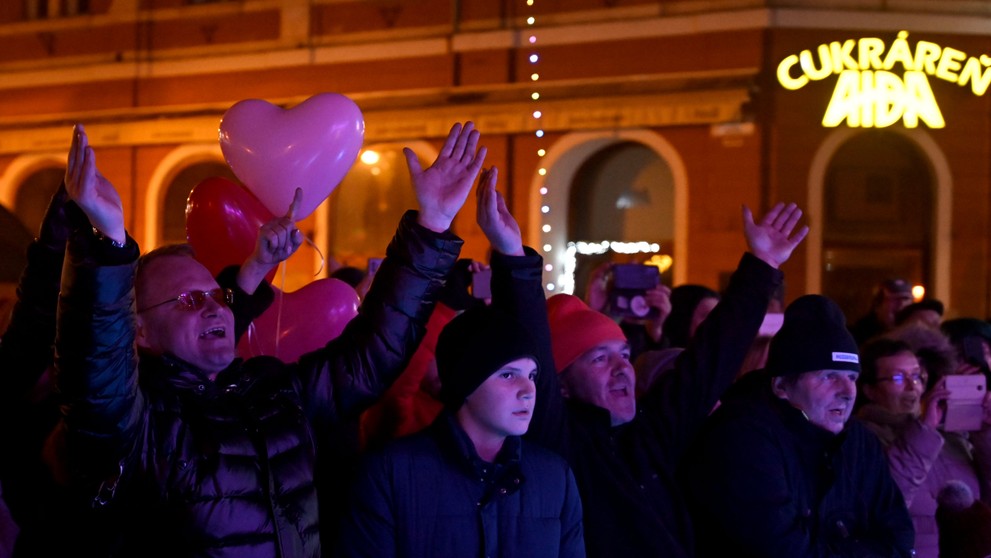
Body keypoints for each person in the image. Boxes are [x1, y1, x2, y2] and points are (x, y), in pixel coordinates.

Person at [54, 121, 483, 556]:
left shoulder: (275, 390)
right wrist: (108, 242)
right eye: (186, 299)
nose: (213, 307)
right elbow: (94, 374)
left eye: (216, 295)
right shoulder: (143, 424)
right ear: (140, 330)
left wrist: (432, 227)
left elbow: (371, 355)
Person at [526, 202, 807, 558]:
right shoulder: (560, 448)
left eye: (625, 355)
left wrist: (762, 265)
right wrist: (512, 261)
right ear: (560, 384)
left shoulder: (651, 431)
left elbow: (709, 360)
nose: (621, 368)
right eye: (599, 358)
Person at [339, 167, 584, 557]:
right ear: (467, 383)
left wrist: (513, 254)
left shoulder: (553, 477)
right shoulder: (393, 473)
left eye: (532, 375)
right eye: (508, 375)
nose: (528, 390)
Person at [688, 295, 915, 557]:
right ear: (782, 386)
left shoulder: (859, 441)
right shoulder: (742, 437)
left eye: (852, 377)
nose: (847, 391)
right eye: (829, 376)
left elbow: (900, 538)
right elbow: (779, 548)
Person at [856, 336, 991, 558]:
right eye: (898, 378)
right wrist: (925, 429)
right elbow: (890, 497)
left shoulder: (950, 436)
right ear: (870, 390)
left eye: (917, 375)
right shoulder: (862, 438)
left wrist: (985, 432)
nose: (912, 386)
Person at [849, 277, 915, 346]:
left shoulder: (915, 334)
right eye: (894, 300)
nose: (901, 304)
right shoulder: (859, 334)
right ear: (878, 305)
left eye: (906, 299)